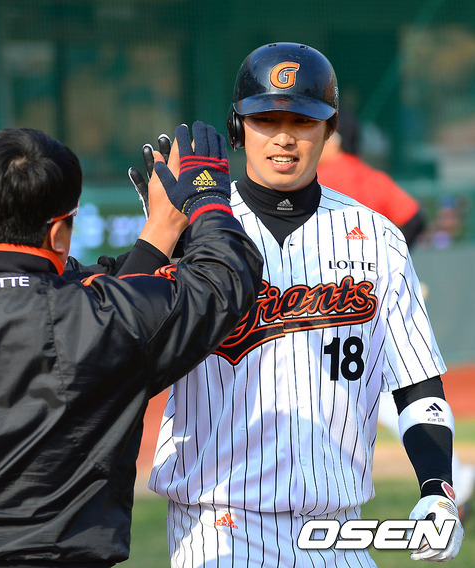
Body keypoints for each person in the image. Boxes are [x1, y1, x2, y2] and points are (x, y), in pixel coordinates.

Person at [148, 42, 465, 567]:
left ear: (329, 128)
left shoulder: (378, 239)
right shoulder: (191, 233)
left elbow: (418, 385)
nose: (284, 137)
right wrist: (158, 241)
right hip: (217, 527)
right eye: (265, 119)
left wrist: (437, 487)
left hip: (337, 529)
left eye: (302, 120)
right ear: (237, 128)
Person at [0, 123, 263, 566]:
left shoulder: (90, 312)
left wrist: (160, 232)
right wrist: (207, 200)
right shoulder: (95, 318)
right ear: (58, 234)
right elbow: (224, 278)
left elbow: (88, 297)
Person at [318, 110, 475, 519]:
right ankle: (453, 475)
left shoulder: (323, 177)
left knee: (374, 389)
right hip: (374, 295)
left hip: (335, 306)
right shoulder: (370, 177)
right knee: (390, 386)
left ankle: (453, 476)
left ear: (335, 138)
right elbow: (415, 217)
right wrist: (391, 263)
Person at [317, 109, 426, 248]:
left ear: (334, 140)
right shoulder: (376, 179)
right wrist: (392, 253)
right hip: (369, 259)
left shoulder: (314, 180)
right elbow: (415, 221)